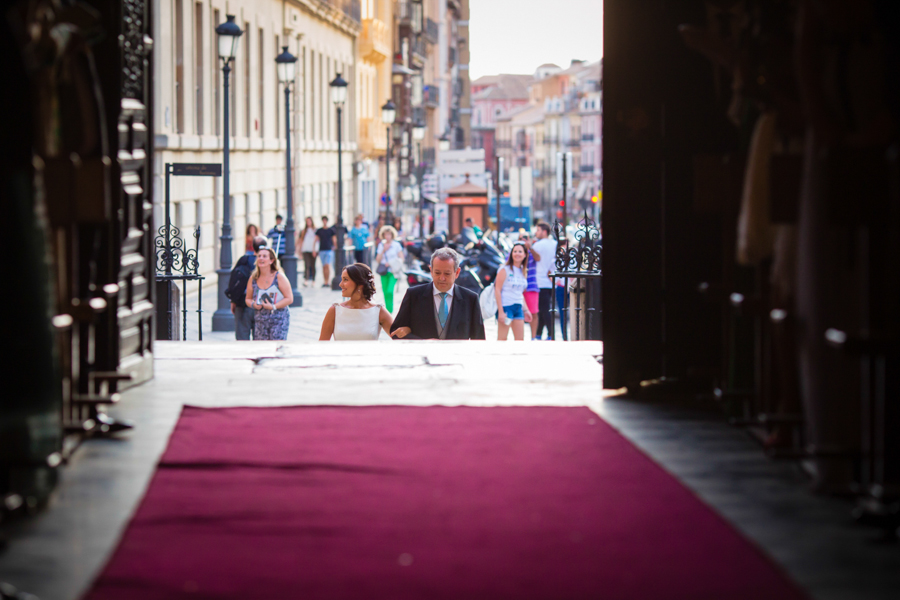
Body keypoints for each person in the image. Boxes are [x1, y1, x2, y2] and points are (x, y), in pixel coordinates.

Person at [390, 247, 486, 340]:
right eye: (437, 273)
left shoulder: (470, 299)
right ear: (431, 271)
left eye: (447, 274)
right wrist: (423, 343)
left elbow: (479, 340)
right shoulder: (413, 295)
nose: (442, 278)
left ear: (457, 272)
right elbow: (395, 333)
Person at [318, 263, 394, 340]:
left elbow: (401, 340)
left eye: (345, 279)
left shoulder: (379, 311)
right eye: (342, 279)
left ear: (360, 283)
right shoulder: (335, 310)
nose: (340, 284)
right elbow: (321, 346)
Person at [245, 248, 293, 340]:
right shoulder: (253, 278)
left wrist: (273, 306)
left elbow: (289, 298)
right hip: (260, 320)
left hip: (279, 319)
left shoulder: (279, 277)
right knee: (262, 349)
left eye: (264, 256)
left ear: (271, 260)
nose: (261, 258)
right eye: (259, 256)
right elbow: (248, 298)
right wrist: (253, 304)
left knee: (276, 347)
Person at [226, 235, 267, 340]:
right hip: (262, 306)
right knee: (260, 339)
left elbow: (233, 282)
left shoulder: (244, 260)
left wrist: (233, 301)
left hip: (243, 304)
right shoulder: (268, 263)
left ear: (253, 247)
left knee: (242, 338)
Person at [494, 241, 531, 341]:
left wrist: (526, 309)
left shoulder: (523, 271)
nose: (517, 254)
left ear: (525, 255)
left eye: (520, 251)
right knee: (502, 340)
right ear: (511, 254)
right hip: (506, 307)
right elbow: (497, 290)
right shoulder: (504, 269)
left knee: (520, 340)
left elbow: (520, 293)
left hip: (518, 308)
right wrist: (500, 311)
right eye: (515, 251)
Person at [532, 222, 558, 340]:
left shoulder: (538, 245)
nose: (536, 233)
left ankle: (551, 333)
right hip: (551, 281)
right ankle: (538, 333)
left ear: (544, 231)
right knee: (544, 308)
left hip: (540, 280)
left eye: (538, 230)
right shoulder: (555, 244)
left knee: (544, 309)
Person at [374, 225, 404, 313]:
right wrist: (383, 250)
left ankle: (390, 311)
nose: (387, 236)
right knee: (385, 292)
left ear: (392, 235)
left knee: (390, 291)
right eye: (386, 234)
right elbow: (378, 260)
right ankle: (387, 311)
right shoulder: (381, 245)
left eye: (389, 234)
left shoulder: (396, 245)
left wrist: (391, 263)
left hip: (393, 271)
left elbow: (401, 258)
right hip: (384, 271)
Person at [519, 231, 541, 340]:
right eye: (521, 238)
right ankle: (519, 337)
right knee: (518, 313)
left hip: (531, 286)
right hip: (517, 287)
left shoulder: (532, 252)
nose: (523, 240)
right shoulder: (515, 253)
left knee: (534, 313)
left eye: (526, 238)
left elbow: (538, 258)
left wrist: (530, 248)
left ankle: (533, 337)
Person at [315, 216, 336, 288]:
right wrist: (314, 249)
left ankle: (328, 280)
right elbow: (316, 240)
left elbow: (334, 239)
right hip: (322, 250)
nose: (324, 221)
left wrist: (335, 246)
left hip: (329, 249)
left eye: (325, 220)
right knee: (324, 266)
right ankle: (325, 281)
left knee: (327, 265)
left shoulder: (331, 230)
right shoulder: (319, 230)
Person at [299, 216, 318, 286]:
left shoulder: (315, 230)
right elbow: (301, 240)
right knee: (306, 265)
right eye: (307, 221)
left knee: (313, 265)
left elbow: (316, 241)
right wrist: (300, 250)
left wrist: (314, 250)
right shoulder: (304, 231)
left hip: (313, 250)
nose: (308, 223)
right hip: (305, 250)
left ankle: (313, 280)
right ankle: (306, 280)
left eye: (309, 221)